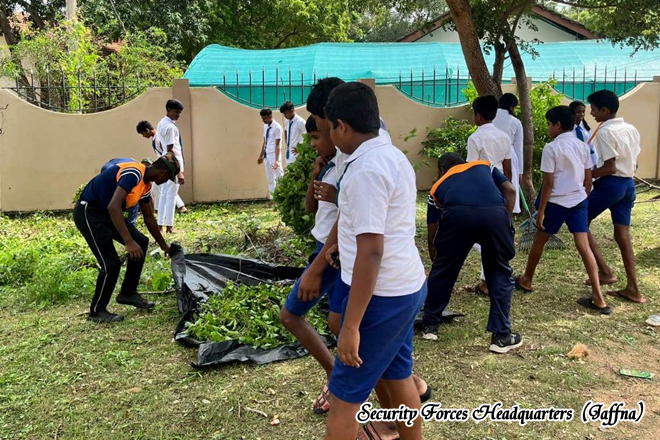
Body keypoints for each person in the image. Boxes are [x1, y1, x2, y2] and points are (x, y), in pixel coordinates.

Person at [303, 77, 431, 439]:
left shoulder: (364, 171)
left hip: (382, 297)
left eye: (330, 128)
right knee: (398, 375)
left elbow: (372, 252)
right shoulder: (392, 156)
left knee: (345, 401)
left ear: (342, 126)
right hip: (405, 286)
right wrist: (340, 245)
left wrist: (351, 327)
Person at [422, 153, 522, 354]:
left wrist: (438, 258)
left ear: (442, 170)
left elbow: (432, 231)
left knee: (444, 271)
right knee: (498, 271)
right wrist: (505, 221)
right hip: (494, 215)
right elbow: (510, 190)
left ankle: (430, 325)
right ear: (463, 163)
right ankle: (501, 337)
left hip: (457, 217)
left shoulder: (437, 186)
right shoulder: (484, 166)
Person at [514, 106, 610, 314]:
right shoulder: (582, 146)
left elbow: (548, 183)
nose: (548, 128)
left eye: (549, 124)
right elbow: (588, 180)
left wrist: (541, 211)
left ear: (557, 125)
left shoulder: (551, 148)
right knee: (584, 246)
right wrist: (583, 197)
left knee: (539, 241)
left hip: (556, 203)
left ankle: (527, 279)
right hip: (579, 201)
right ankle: (599, 297)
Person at [279, 116, 341, 415]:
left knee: (291, 315)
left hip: (330, 253)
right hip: (323, 248)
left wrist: (316, 268)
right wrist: (316, 175)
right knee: (339, 323)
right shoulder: (330, 165)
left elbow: (352, 213)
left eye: (316, 137)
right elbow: (310, 207)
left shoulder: (349, 167)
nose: (313, 144)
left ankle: (335, 376)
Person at [74, 153, 180, 323]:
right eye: (168, 178)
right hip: (90, 213)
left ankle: (128, 293)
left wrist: (164, 246)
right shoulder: (133, 173)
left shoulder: (145, 185)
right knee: (111, 264)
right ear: (163, 173)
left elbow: (149, 218)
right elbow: (114, 207)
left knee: (141, 242)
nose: (166, 181)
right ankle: (97, 311)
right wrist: (128, 242)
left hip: (106, 213)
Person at [585, 90, 645, 304]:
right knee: (622, 235)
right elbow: (635, 163)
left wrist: (587, 174)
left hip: (612, 184)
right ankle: (633, 288)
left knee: (579, 221)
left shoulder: (605, 131)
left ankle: (605, 271)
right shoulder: (630, 128)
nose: (591, 113)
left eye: (593, 109)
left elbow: (610, 167)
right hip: (628, 184)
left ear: (604, 110)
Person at [467, 95, 513, 297]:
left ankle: (487, 281)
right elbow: (508, 168)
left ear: (478, 115)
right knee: (493, 235)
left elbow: (472, 169)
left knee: (481, 237)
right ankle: (486, 280)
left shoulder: (475, 138)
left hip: (482, 189)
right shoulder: (504, 136)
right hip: (500, 188)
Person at [136, 120, 187, 214]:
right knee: (158, 188)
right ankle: (159, 209)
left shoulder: (159, 138)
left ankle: (179, 207)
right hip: (165, 167)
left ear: (147, 130)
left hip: (170, 167)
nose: (143, 136)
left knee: (168, 189)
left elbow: (170, 154)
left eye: (143, 133)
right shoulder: (155, 139)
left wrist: (178, 172)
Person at [155, 101, 186, 232]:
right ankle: (169, 226)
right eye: (176, 112)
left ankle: (160, 224)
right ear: (168, 110)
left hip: (166, 163)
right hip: (173, 164)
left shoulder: (161, 123)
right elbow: (170, 151)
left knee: (164, 194)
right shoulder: (170, 127)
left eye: (179, 113)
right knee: (171, 195)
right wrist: (178, 171)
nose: (178, 115)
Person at [493, 93, 523, 214]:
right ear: (512, 106)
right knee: (508, 186)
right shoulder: (515, 122)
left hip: (490, 154)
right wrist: (520, 172)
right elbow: (519, 148)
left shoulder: (491, 117)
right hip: (510, 156)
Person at [257, 108, 283, 199]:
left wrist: (277, 161)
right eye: (262, 118)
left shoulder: (277, 127)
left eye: (264, 118)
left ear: (270, 116)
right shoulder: (265, 126)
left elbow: (277, 145)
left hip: (274, 156)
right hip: (267, 156)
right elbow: (265, 142)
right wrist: (261, 155)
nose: (263, 120)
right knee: (270, 179)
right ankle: (273, 199)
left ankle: (282, 197)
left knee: (279, 177)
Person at [569, 101, 598, 168]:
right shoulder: (568, 129)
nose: (582, 114)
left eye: (583, 112)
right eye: (578, 112)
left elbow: (591, 147)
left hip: (587, 162)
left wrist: (595, 163)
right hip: (574, 161)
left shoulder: (586, 128)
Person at [279, 101, 306, 166]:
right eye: (283, 114)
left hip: (297, 155)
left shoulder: (300, 122)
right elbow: (286, 131)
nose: (285, 116)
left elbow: (309, 135)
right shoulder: (287, 121)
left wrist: (301, 148)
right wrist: (287, 143)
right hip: (289, 153)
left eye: (286, 113)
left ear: (292, 110)